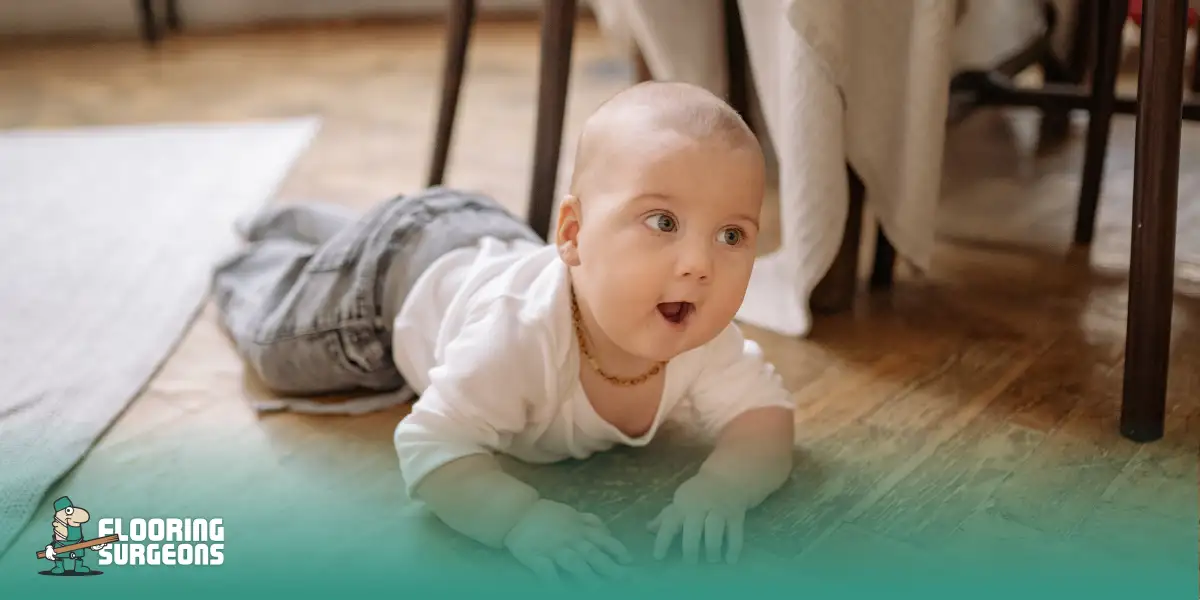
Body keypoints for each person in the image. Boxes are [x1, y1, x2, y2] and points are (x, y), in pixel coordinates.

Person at [210, 81, 796, 583]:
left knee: (348, 248)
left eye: (731, 236)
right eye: (663, 222)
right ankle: (245, 258)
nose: (700, 264)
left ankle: (307, 224)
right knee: (277, 348)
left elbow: (765, 416)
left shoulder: (702, 333)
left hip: (477, 236)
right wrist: (520, 519)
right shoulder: (519, 338)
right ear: (572, 234)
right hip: (393, 282)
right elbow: (430, 446)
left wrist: (723, 488)